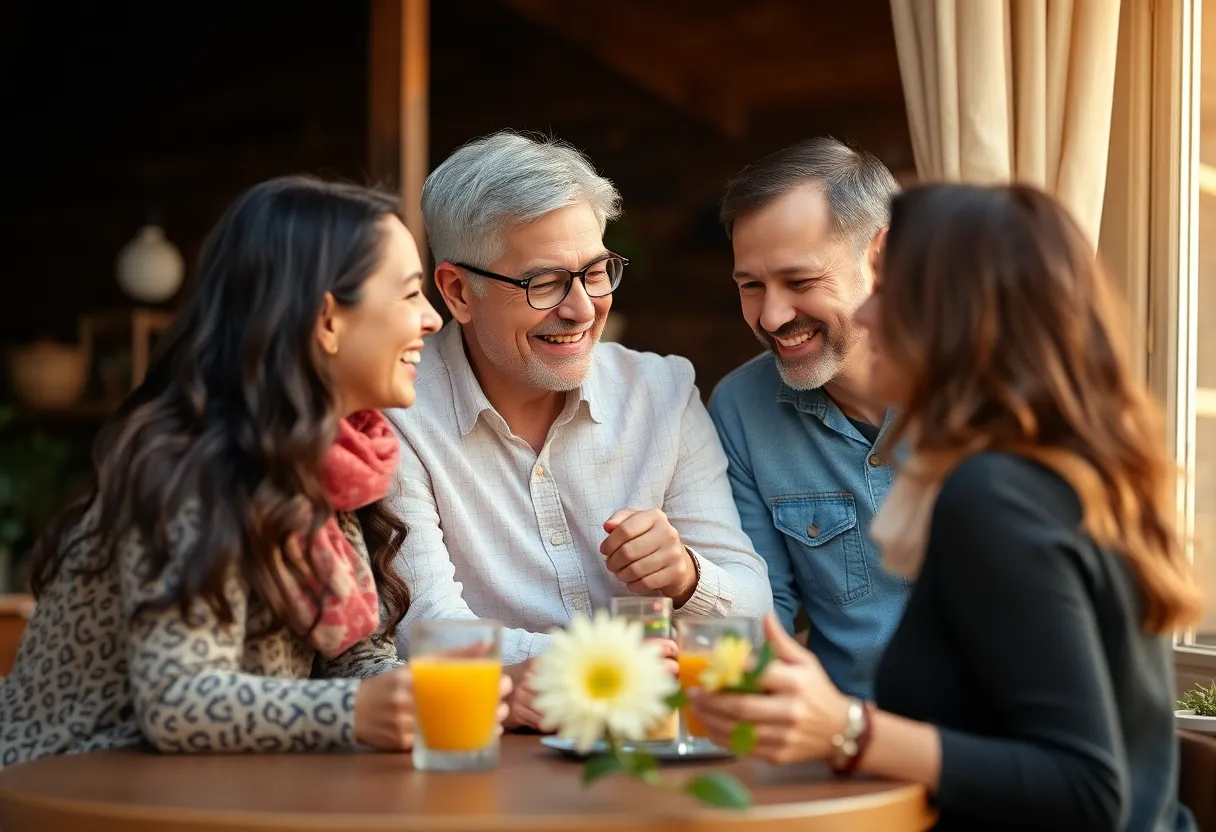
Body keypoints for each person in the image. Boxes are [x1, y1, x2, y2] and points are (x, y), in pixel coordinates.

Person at [691, 184, 1201, 831]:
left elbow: (1087, 790)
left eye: (889, 292)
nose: (868, 316)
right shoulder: (1049, 468)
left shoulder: (993, 494)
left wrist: (848, 729)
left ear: (952, 315)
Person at [0, 176, 510, 768]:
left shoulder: (328, 468)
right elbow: (177, 699)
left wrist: (410, 694)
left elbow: (351, 655)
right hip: (62, 792)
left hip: (201, 791)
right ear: (327, 320)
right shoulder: (193, 471)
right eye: (408, 295)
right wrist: (357, 712)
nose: (432, 319)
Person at [386, 131, 772, 729]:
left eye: (595, 271)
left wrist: (688, 578)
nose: (583, 308)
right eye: (544, 283)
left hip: (657, 759)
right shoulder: (398, 415)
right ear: (458, 291)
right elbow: (429, 636)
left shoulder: (663, 393)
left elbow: (752, 615)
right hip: (489, 775)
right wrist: (611, 670)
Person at [707, 137, 909, 698]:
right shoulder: (740, 406)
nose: (771, 316)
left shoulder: (994, 388)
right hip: (836, 749)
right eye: (751, 286)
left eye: (800, 281)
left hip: (988, 755)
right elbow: (762, 614)